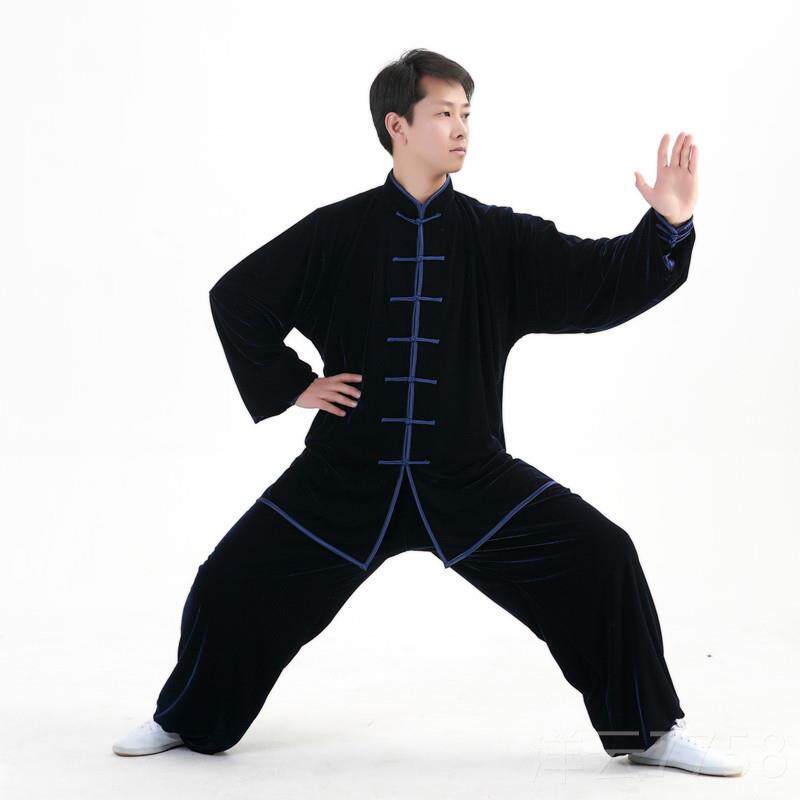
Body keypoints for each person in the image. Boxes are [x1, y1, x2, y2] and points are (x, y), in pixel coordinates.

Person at [113, 48, 742, 777]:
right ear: (397, 126)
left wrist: (667, 227)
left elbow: (600, 280)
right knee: (230, 580)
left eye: (467, 114)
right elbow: (238, 298)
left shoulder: (497, 238)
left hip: (467, 476)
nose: (461, 128)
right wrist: (294, 384)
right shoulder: (337, 232)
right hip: (347, 474)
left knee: (602, 557)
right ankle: (186, 721)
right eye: (443, 113)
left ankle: (647, 732)